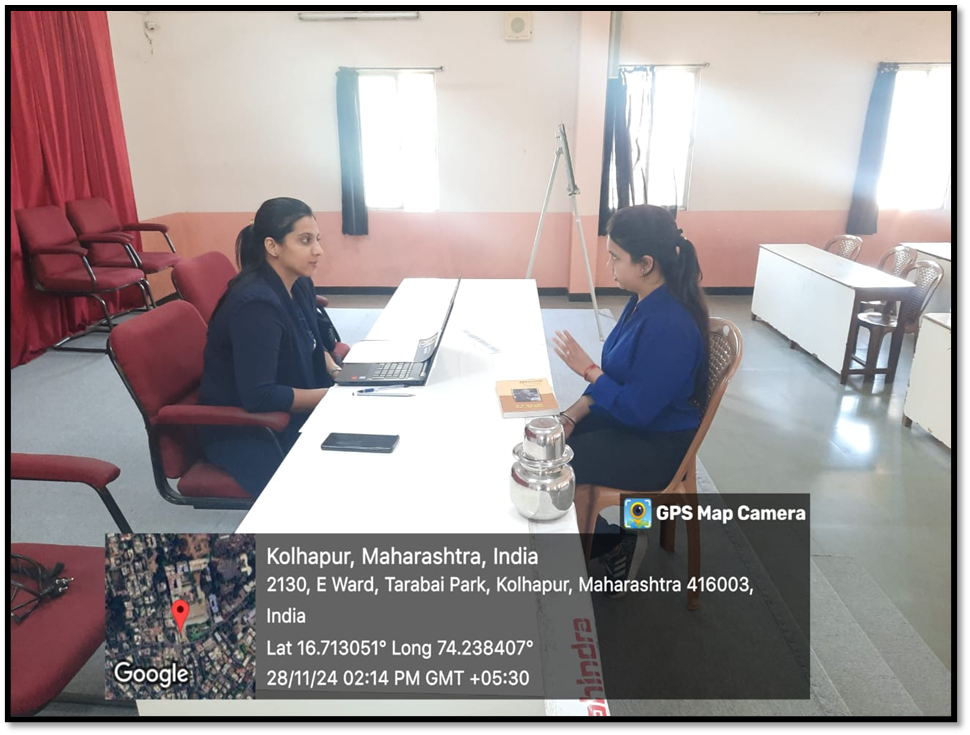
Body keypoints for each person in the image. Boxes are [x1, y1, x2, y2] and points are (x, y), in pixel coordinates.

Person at [552, 204, 709, 592]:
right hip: (635, 420)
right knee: (552, 445)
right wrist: (572, 414)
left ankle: (620, 540)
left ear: (646, 264)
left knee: (566, 466)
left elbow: (637, 410)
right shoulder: (642, 300)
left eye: (615, 257)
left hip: (659, 443)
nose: (609, 266)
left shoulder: (670, 325)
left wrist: (589, 371)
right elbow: (618, 377)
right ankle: (601, 536)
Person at [199, 197, 343, 496]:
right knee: (341, 482)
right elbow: (260, 396)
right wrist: (335, 397)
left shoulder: (299, 283)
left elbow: (313, 342)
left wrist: (335, 371)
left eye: (318, 239)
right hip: (252, 431)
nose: (318, 250)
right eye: (305, 240)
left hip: (293, 406)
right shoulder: (256, 306)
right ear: (272, 246)